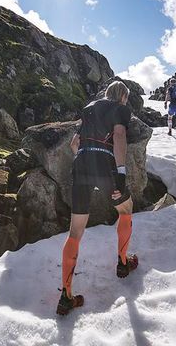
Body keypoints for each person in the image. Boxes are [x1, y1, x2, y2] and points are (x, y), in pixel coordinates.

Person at [56, 80, 138, 316]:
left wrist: (83, 159)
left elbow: (75, 143)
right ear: (123, 96)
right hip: (104, 164)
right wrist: (120, 172)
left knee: (75, 232)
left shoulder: (89, 108)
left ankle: (66, 296)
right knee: (125, 209)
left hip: (80, 164)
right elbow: (120, 135)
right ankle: (123, 263)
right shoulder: (120, 108)